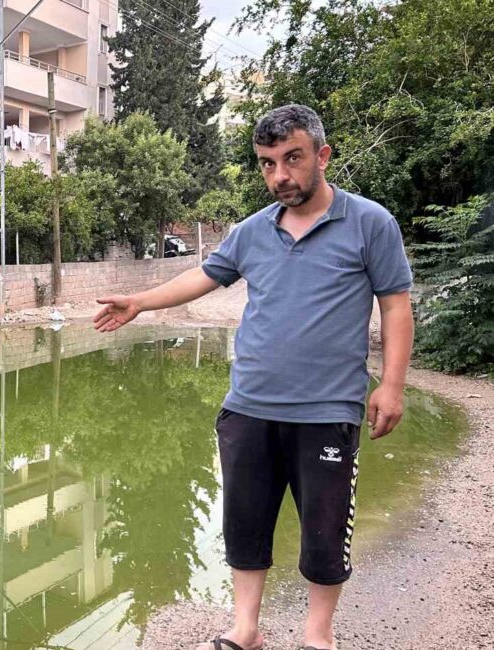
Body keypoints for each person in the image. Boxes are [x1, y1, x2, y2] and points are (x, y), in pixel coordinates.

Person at [93, 104, 414, 650]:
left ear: (322, 155)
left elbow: (396, 307)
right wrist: (141, 303)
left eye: (292, 159)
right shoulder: (252, 231)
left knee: (324, 532)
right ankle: (245, 630)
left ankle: (319, 637)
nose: (280, 175)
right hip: (249, 407)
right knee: (244, 524)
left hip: (326, 411)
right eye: (267, 164)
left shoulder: (369, 223)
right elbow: (202, 276)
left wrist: (392, 383)